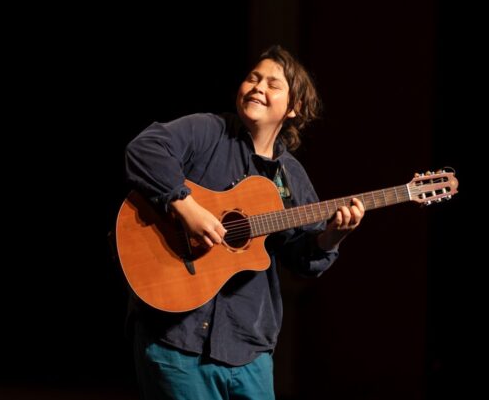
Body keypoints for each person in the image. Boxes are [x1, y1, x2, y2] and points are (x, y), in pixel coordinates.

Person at [124, 45, 365, 399]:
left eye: (272, 84)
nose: (257, 87)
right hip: (177, 337)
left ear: (293, 108)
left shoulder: (291, 177)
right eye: (253, 78)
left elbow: (301, 257)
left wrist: (331, 237)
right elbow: (145, 149)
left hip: (248, 347)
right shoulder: (207, 130)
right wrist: (185, 206)